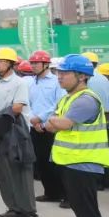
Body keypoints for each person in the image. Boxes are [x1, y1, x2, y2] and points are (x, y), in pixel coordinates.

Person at [45, 54, 109, 217]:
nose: (59, 77)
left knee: (89, 214)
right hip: (70, 162)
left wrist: (55, 120)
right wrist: (55, 121)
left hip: (84, 164)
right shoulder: (69, 98)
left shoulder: (85, 100)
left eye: (64, 73)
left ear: (82, 76)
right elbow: (52, 125)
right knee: (82, 211)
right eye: (58, 73)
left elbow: (61, 123)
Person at [0, 47, 39, 217]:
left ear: (10, 64)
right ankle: (14, 209)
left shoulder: (19, 83)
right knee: (3, 173)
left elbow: (17, 108)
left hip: (16, 132)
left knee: (20, 174)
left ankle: (30, 214)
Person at [27, 49, 67, 206]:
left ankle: (65, 195)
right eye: (32, 63)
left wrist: (41, 119)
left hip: (51, 127)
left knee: (56, 162)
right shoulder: (31, 82)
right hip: (35, 127)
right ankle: (50, 192)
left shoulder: (56, 82)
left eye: (36, 63)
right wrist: (33, 120)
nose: (33, 66)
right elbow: (28, 103)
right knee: (41, 162)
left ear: (46, 64)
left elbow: (58, 104)